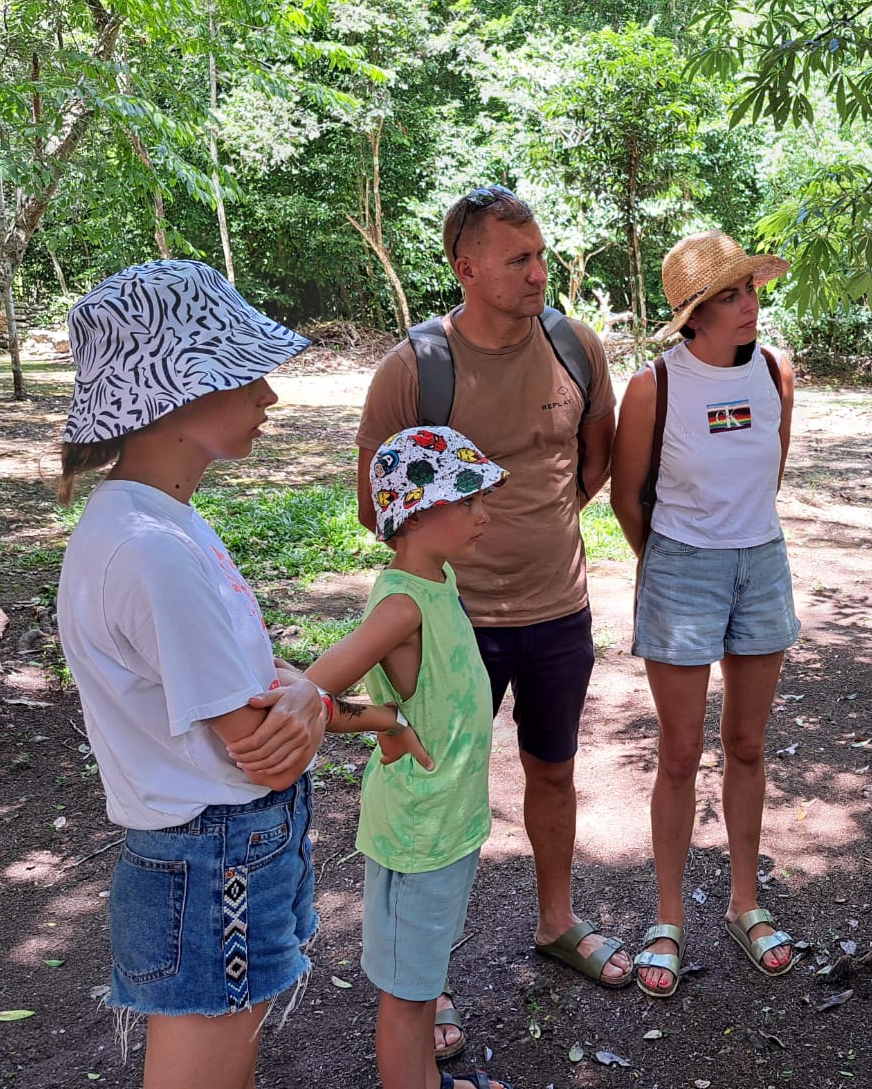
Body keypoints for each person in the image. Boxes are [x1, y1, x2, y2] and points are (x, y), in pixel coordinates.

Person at [55, 260, 434, 1089]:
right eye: (247, 375)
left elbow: (262, 676)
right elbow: (260, 746)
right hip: (214, 853)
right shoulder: (153, 550)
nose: (269, 397)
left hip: (221, 848)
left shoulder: (160, 521)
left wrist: (308, 697)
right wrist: (300, 710)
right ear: (178, 394)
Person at [355, 186, 631, 1025]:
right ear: (465, 268)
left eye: (542, 254)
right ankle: (422, 984)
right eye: (520, 260)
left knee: (553, 768)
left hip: (558, 610)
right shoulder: (414, 369)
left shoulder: (576, 346)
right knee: (434, 790)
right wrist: (465, 556)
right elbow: (377, 505)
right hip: (450, 624)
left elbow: (595, 458)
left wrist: (534, 534)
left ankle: (557, 923)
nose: (539, 271)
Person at [608, 229, 801, 998]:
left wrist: (740, 537)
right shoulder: (656, 386)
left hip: (762, 561)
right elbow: (628, 498)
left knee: (748, 744)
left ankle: (745, 903)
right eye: (730, 296)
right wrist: (672, 560)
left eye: (751, 289)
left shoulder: (778, 373)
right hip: (681, 567)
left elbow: (770, 472)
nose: (749, 305)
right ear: (693, 315)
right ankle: (667, 916)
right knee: (681, 751)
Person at [306, 425, 512, 1089]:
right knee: (405, 996)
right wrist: (381, 722)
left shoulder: (437, 576)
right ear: (419, 513)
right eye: (469, 501)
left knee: (423, 985)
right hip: (417, 831)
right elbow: (306, 694)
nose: (485, 514)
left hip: (446, 824)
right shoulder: (400, 605)